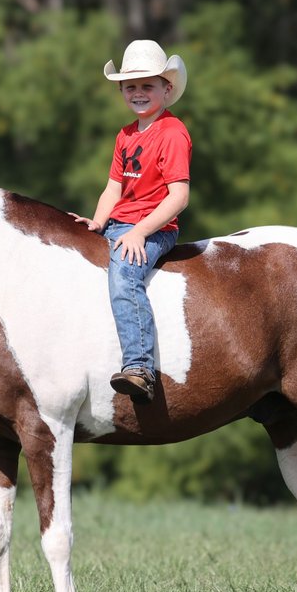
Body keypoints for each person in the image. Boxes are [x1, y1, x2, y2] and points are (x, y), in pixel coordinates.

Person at [72, 39, 191, 402]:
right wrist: (96, 223)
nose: (138, 93)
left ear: (166, 89)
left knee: (124, 271)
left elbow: (179, 196)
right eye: (131, 87)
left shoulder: (172, 133)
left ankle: (140, 367)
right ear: (122, 91)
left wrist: (140, 232)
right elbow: (112, 190)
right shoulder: (125, 135)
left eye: (147, 85)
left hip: (154, 229)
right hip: (117, 224)